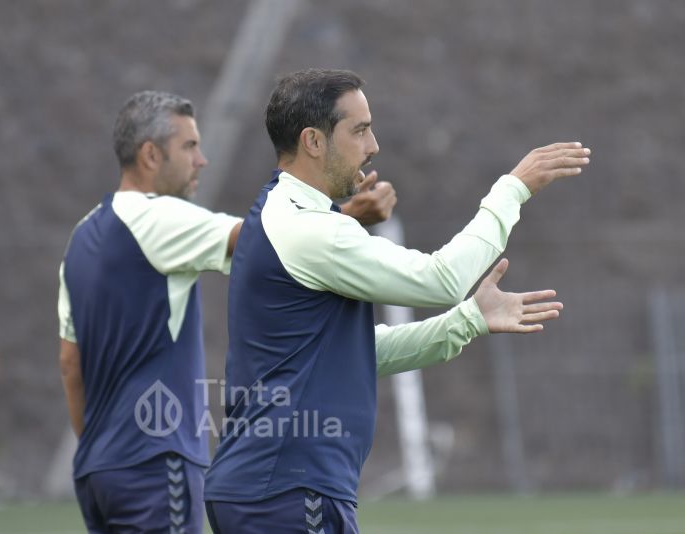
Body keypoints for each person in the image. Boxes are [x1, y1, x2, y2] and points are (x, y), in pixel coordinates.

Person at [203, 68, 590, 532]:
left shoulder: (285, 214)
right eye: (360, 130)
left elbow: (360, 353)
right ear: (313, 141)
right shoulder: (309, 230)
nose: (373, 145)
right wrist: (512, 190)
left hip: (274, 487)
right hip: (286, 488)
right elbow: (441, 279)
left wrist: (468, 320)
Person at [57, 90, 396, 534]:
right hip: (155, 460)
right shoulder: (159, 219)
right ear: (150, 155)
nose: (202, 161)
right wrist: (345, 215)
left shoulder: (81, 237)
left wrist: (99, 450)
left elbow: (69, 364)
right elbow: (266, 243)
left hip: (97, 470)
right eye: (190, 146)